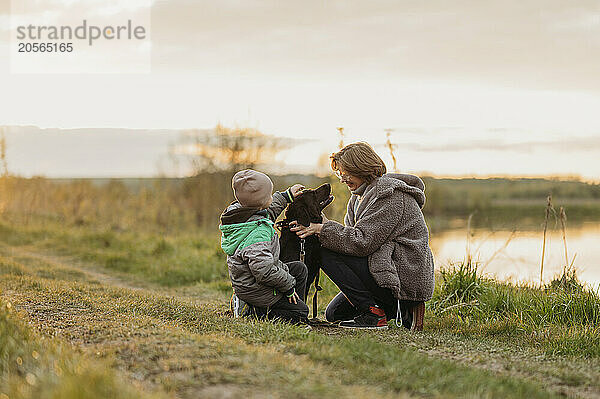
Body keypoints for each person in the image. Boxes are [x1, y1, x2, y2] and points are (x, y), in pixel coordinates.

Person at [290, 142, 435, 329]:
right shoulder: (357, 198)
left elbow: (362, 242)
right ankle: (388, 310)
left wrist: (322, 229)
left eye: (346, 173)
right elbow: (350, 242)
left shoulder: (389, 196)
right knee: (335, 313)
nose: (342, 179)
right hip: (381, 267)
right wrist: (322, 228)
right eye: (339, 174)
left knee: (323, 250)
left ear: (361, 168)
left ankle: (387, 311)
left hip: (400, 276)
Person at [220, 169, 309, 323]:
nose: (271, 197)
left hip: (247, 281)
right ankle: (254, 310)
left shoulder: (240, 214)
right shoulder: (257, 234)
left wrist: (286, 196)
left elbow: (268, 210)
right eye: (269, 195)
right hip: (256, 288)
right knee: (302, 311)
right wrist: (288, 286)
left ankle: (292, 306)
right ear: (260, 202)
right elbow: (263, 270)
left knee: (299, 269)